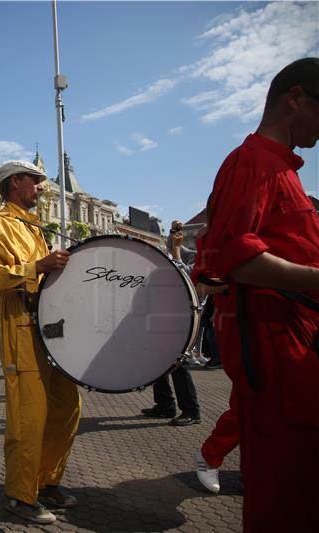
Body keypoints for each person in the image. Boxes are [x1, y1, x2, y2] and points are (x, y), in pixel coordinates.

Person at [193, 58, 319, 532]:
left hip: (295, 348)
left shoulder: (282, 169)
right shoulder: (253, 162)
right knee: (285, 498)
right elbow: (235, 259)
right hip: (279, 353)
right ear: (296, 98)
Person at [0, 159, 80, 525]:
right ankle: (21, 495)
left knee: (68, 406)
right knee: (28, 416)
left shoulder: (35, 226)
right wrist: (36, 268)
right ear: (15, 182)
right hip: (21, 329)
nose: (40, 186)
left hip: (53, 331)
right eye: (35, 181)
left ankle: (48, 482)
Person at [140, 228, 202, 426]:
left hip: (181, 313)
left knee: (179, 362)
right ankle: (165, 404)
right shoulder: (185, 250)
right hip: (166, 313)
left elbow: (184, 275)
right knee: (158, 360)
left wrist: (176, 251)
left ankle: (191, 410)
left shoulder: (201, 257)